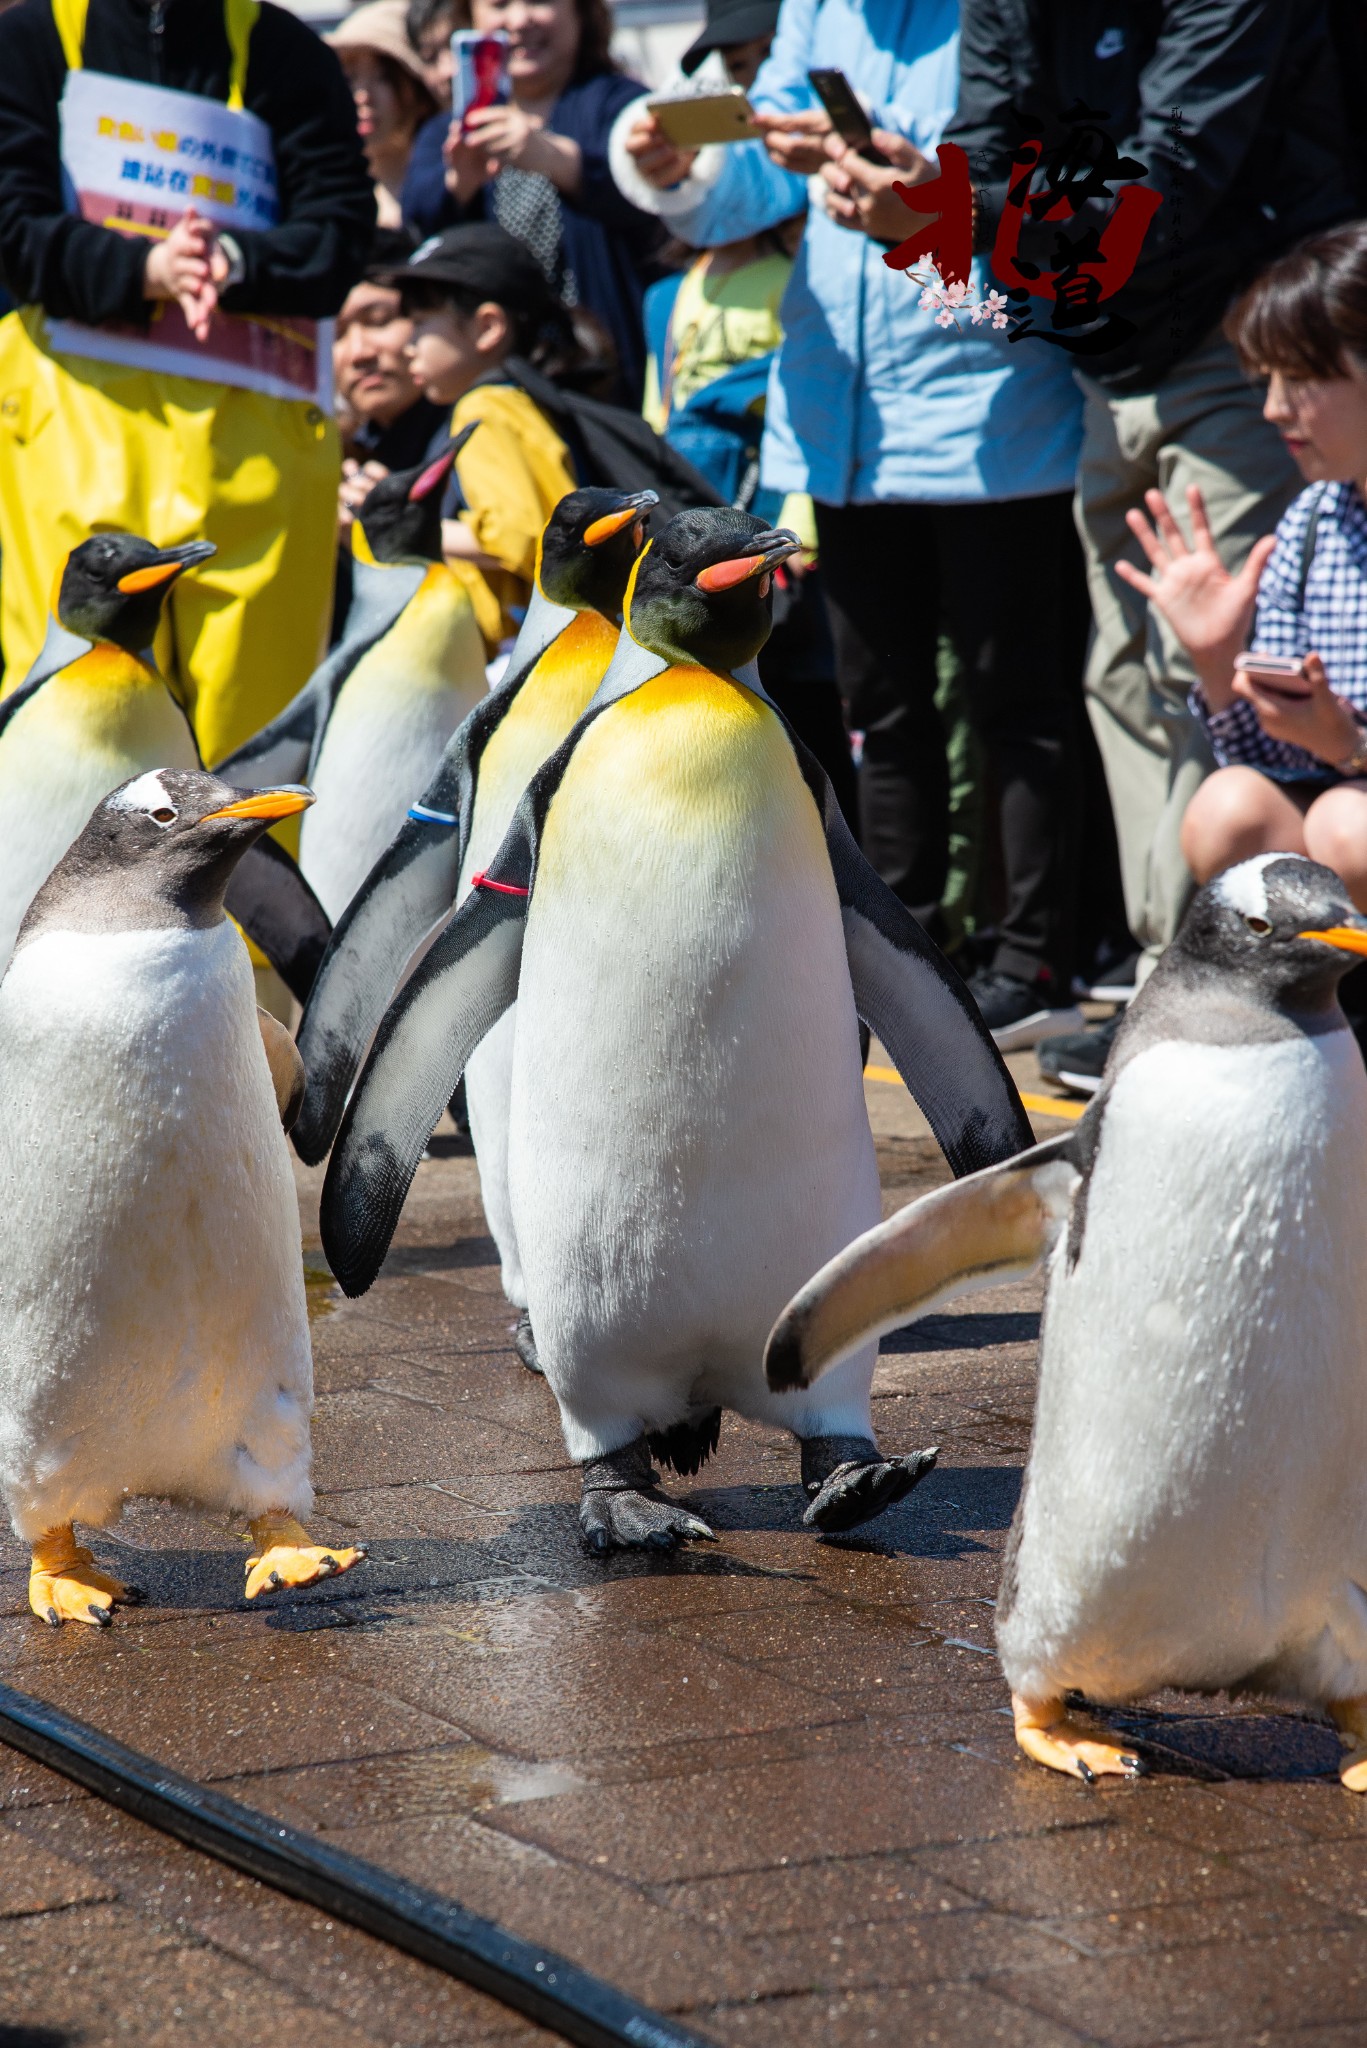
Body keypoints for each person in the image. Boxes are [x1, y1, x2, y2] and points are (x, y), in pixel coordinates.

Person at [615, 0, 1097, 1052]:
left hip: (992, 414)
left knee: (1014, 699)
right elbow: (746, 175)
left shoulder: (999, 15)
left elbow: (1052, 190)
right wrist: (669, 162)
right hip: (844, 419)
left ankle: (1032, 963)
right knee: (878, 702)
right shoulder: (815, 10)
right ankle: (897, 946)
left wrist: (918, 189)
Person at [946, 0, 1357, 1086]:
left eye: (1299, 392)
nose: (1287, 410)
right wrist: (920, 199)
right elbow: (975, 163)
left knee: (1340, 813)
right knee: (1134, 675)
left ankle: (1231, 986)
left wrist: (958, 206)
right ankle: (1167, 974)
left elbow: (1162, 179)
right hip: (1103, 360)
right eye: (1281, 391)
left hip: (1226, 322)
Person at [0, 0, 374, 765]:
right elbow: (12, 224)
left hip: (258, 449)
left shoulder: (287, 51)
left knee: (254, 742)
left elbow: (340, 230)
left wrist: (232, 262)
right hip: (72, 432)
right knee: (70, 729)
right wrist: (143, 268)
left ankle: (251, 892)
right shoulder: (26, 39)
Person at [1118, 225, 1367, 913]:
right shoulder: (1314, 518)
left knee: (1349, 829)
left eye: (1304, 377)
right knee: (1225, 811)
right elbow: (1267, 760)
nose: (1273, 408)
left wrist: (1350, 746)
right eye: (1267, 379)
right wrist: (1217, 662)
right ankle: (1316, 1011)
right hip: (1337, 814)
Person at [401, 0, 664, 404]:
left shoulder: (623, 106)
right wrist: (458, 188)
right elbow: (417, 227)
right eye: (500, 5)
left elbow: (665, 209)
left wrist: (566, 164)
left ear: (581, 12)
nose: (520, 20)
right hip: (497, 386)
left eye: (539, 1)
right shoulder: (444, 131)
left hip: (613, 379)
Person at [375, 222, 578, 638]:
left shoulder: (483, 405)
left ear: (487, 327)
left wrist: (400, 526)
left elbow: (517, 537)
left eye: (420, 323)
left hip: (514, 649)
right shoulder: (523, 399)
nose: (407, 344)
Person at [328, 0, 441, 229]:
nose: (363, 95)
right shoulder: (325, 192)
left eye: (383, 78)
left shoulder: (450, 185)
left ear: (420, 95)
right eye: (350, 78)